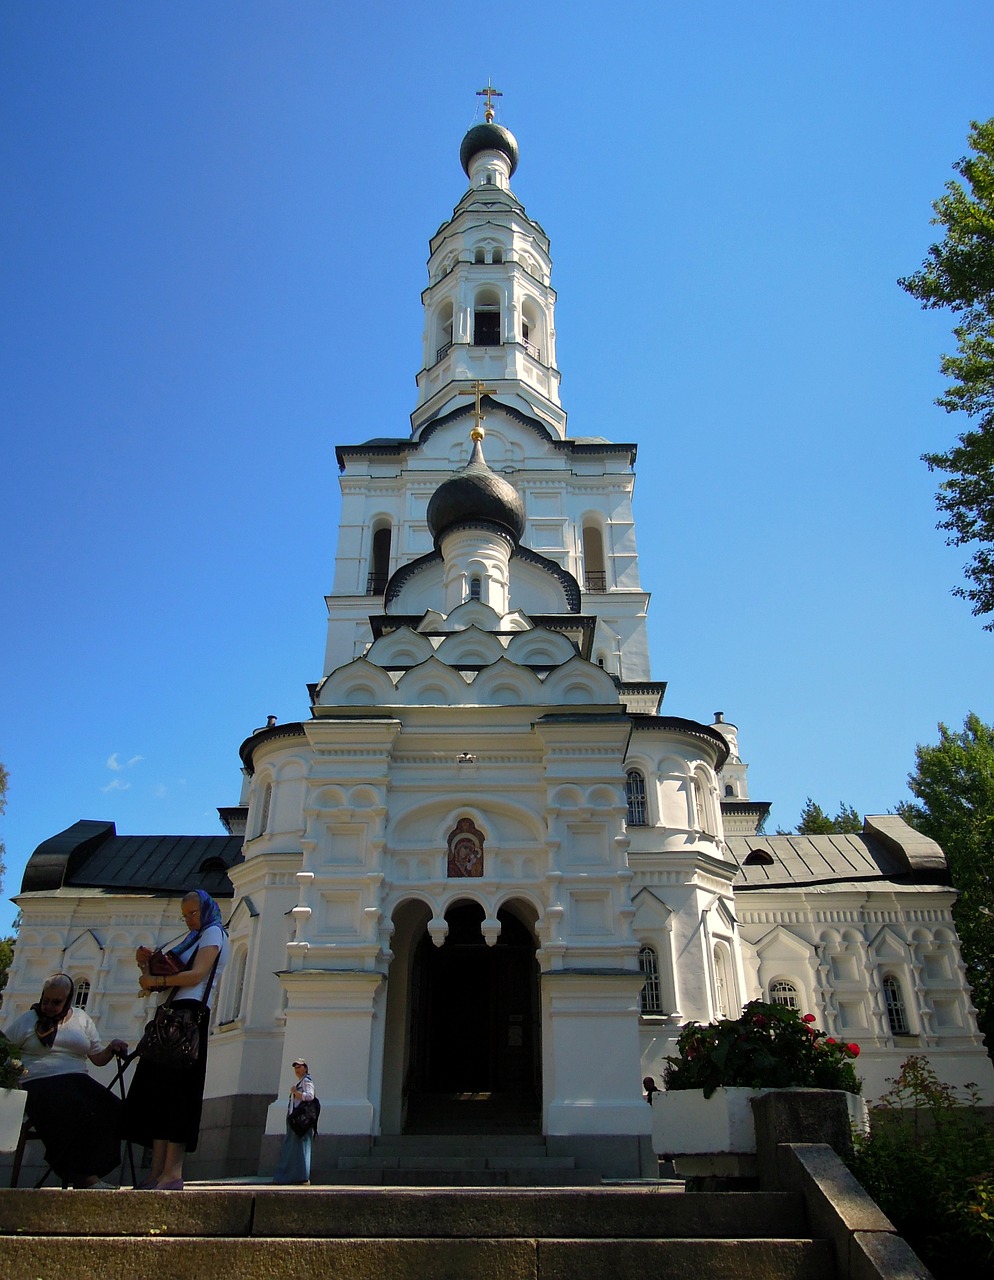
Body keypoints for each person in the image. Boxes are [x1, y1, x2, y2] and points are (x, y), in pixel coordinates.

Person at [124, 889, 228, 1190]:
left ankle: (172, 1172)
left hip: (189, 1017)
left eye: (193, 913)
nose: (189, 919)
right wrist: (145, 963)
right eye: (185, 915)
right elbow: (166, 975)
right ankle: (156, 1172)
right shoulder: (189, 940)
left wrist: (157, 979)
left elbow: (196, 976)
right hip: (171, 1015)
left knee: (179, 1096)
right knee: (159, 1095)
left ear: (207, 909)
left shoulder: (213, 934)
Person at [3, 973, 128, 1188]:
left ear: (68, 999)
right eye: (46, 1001)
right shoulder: (27, 1020)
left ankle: (92, 1170)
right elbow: (4, 1049)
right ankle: (84, 1178)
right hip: (38, 1080)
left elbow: (97, 1058)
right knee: (70, 1107)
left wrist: (111, 1048)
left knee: (112, 1107)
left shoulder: (81, 1019)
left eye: (56, 1002)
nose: (49, 1006)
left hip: (77, 1077)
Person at [272, 1058, 316, 1184]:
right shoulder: (301, 1082)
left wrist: (295, 1093)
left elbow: (310, 1096)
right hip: (295, 1120)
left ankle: (300, 1176)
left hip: (301, 1121)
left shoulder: (307, 1081)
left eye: (300, 1067)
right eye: (295, 1067)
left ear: (306, 1068)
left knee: (300, 1148)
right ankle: (292, 1175)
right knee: (294, 1148)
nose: (297, 1070)